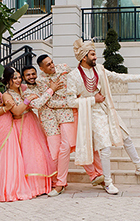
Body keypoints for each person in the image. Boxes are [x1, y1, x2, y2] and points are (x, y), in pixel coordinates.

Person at [66, 39, 140, 195]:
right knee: (105, 147)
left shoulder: (100, 70)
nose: (95, 57)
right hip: (92, 113)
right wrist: (92, 100)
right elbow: (70, 101)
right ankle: (108, 182)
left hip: (106, 109)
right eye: (93, 54)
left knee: (126, 137)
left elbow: (119, 77)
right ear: (84, 57)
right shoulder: (73, 76)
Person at [31, 55, 105, 196]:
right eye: (47, 65)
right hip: (66, 115)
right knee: (65, 147)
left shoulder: (64, 68)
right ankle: (62, 182)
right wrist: (72, 103)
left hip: (82, 110)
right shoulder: (41, 82)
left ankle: (101, 175)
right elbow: (50, 103)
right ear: (41, 68)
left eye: (51, 62)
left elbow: (78, 82)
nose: (52, 66)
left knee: (88, 143)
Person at [0, 68, 55, 201]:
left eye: (19, 77)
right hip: (20, 126)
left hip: (32, 122)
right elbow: (17, 112)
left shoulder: (23, 88)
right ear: (8, 80)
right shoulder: (7, 95)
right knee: (26, 157)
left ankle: (40, 187)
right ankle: (29, 187)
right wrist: (28, 101)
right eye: (14, 78)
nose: (18, 80)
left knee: (37, 154)